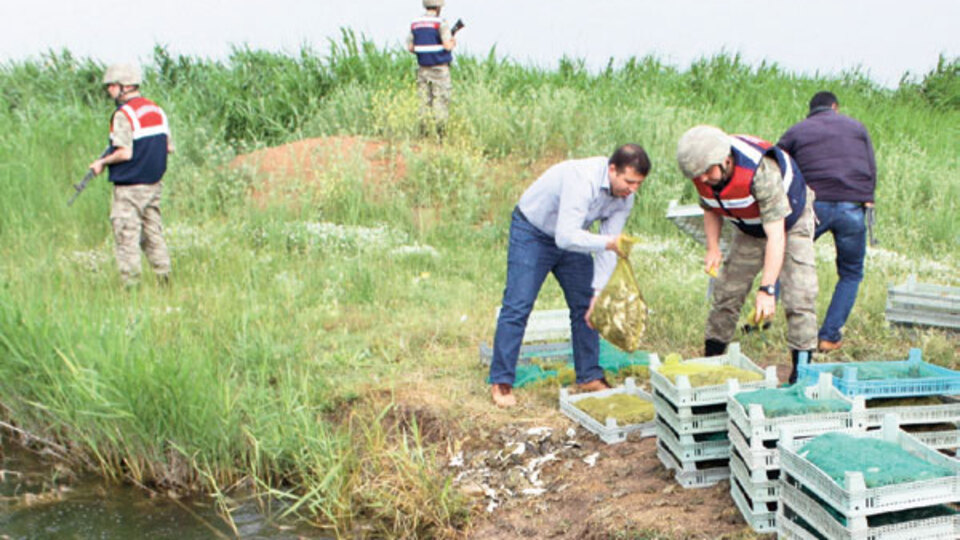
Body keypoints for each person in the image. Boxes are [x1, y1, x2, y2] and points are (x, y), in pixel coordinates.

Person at [489, 144, 651, 407]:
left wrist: (598, 293)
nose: (632, 189)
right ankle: (501, 380)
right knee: (518, 304)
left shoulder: (625, 198)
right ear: (612, 170)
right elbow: (569, 237)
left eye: (638, 184)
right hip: (533, 232)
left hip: (576, 236)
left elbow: (609, 248)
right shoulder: (583, 179)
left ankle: (589, 376)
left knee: (585, 304)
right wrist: (608, 243)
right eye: (629, 182)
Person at [676, 126, 817, 384]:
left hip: (789, 222)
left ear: (725, 160)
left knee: (799, 294)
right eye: (698, 175)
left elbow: (776, 236)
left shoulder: (761, 172)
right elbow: (710, 208)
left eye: (707, 172)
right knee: (727, 290)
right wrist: (713, 247)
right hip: (749, 226)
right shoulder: (702, 173)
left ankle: (802, 373)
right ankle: (712, 362)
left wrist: (767, 289)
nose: (703, 179)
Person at [778, 91, 877, 353]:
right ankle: (829, 337)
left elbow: (777, 164)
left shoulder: (798, 130)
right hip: (852, 207)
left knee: (782, 256)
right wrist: (868, 198)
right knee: (851, 272)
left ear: (811, 110)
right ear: (835, 107)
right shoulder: (857, 128)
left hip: (814, 205)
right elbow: (871, 166)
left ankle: (763, 314)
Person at [89, 63, 173, 287]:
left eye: (111, 86)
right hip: (154, 185)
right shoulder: (156, 110)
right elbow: (168, 147)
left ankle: (131, 287)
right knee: (153, 233)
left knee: (126, 235)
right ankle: (164, 278)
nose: (109, 90)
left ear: (123, 87)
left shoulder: (123, 114)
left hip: (129, 188)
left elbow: (124, 153)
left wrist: (101, 163)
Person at [406, 0, 456, 136]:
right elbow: (447, 46)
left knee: (424, 101)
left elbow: (410, 47)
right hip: (439, 69)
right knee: (440, 100)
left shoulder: (415, 23)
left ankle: (423, 134)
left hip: (422, 68)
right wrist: (453, 41)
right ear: (439, 7)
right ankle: (441, 135)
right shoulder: (441, 23)